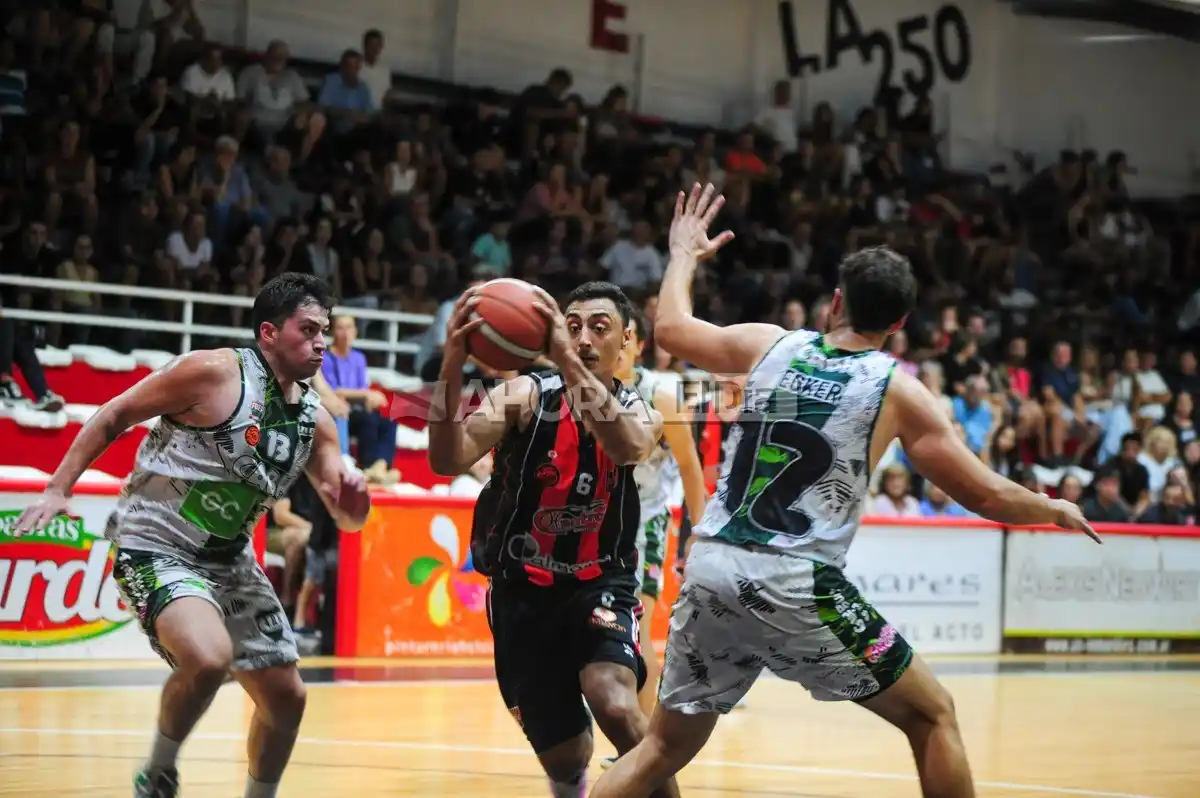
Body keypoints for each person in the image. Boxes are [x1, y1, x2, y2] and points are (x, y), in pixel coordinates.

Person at [590, 184, 1099, 798]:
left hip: (713, 565)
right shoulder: (898, 390)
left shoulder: (770, 344)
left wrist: (683, 254)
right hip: (792, 578)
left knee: (662, 748)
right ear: (899, 325)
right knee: (933, 714)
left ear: (835, 302)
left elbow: (670, 328)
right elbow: (985, 495)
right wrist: (1052, 506)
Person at [15, 273, 372, 798]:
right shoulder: (212, 372)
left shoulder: (316, 422)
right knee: (208, 659)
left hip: (230, 561)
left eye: (325, 330)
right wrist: (57, 488)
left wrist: (356, 505)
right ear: (269, 332)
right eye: (309, 329)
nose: (321, 342)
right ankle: (158, 773)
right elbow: (116, 413)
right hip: (155, 543)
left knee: (287, 698)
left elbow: (347, 518)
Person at [427, 281, 677, 798]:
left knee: (615, 703)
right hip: (522, 589)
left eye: (599, 328)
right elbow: (446, 459)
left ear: (626, 340)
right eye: (573, 326)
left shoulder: (643, 409)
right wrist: (452, 361)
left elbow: (628, 447)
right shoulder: (523, 396)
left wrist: (565, 359)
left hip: (600, 582)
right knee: (566, 756)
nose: (583, 338)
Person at [599, 310, 707, 771]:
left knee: (636, 632)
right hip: (596, 527)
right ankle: (633, 735)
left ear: (639, 345)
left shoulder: (661, 396)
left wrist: (698, 535)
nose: (616, 346)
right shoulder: (586, 392)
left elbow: (691, 471)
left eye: (625, 338)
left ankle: (643, 744)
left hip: (644, 523)